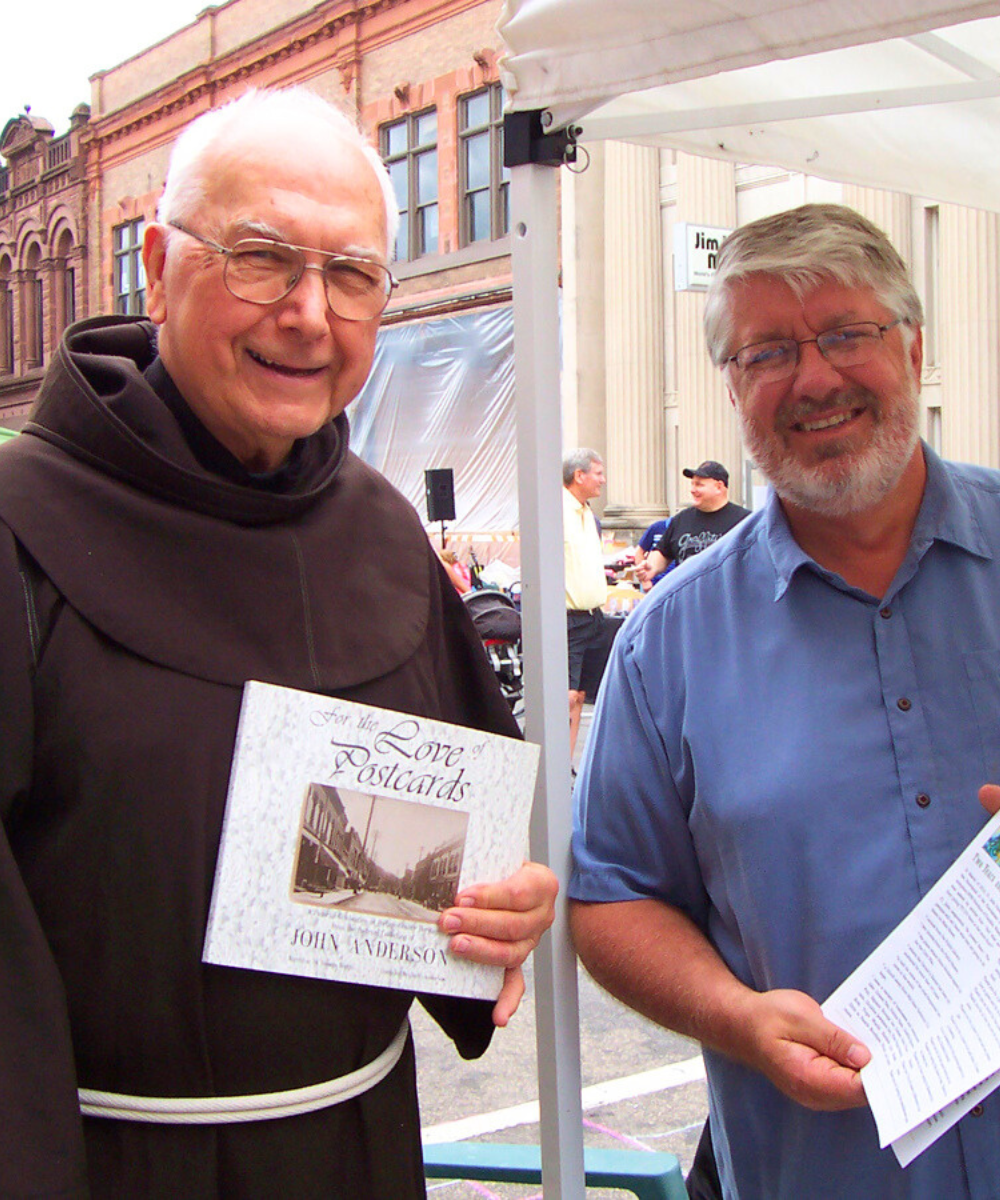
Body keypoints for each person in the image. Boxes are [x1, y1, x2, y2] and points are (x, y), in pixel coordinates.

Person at [0, 87, 556, 1199]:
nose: (309, 313)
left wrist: (502, 906)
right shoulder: (20, 527)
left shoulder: (381, 529)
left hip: (358, 1148)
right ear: (158, 266)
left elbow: (462, 836)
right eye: (261, 258)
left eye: (351, 275)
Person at [569, 202, 1000, 1199]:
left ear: (915, 348)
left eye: (847, 333)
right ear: (733, 386)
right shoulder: (666, 645)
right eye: (768, 353)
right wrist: (735, 1017)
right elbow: (611, 893)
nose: (814, 379)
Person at [563, 448, 615, 758]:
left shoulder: (590, 517)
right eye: (598, 473)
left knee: (581, 696)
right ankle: (554, 765)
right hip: (568, 617)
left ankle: (566, 764)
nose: (603, 480)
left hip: (595, 617)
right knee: (567, 696)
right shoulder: (555, 512)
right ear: (579, 475)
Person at [636, 461, 748, 586]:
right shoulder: (681, 519)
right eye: (692, 484)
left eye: (699, 485)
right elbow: (663, 552)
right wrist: (650, 568)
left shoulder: (745, 521)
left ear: (719, 487)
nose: (692, 490)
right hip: (687, 596)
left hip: (727, 596)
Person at [633, 515, 670, 590]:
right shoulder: (657, 527)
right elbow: (639, 552)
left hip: (675, 583)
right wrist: (645, 581)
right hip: (653, 584)